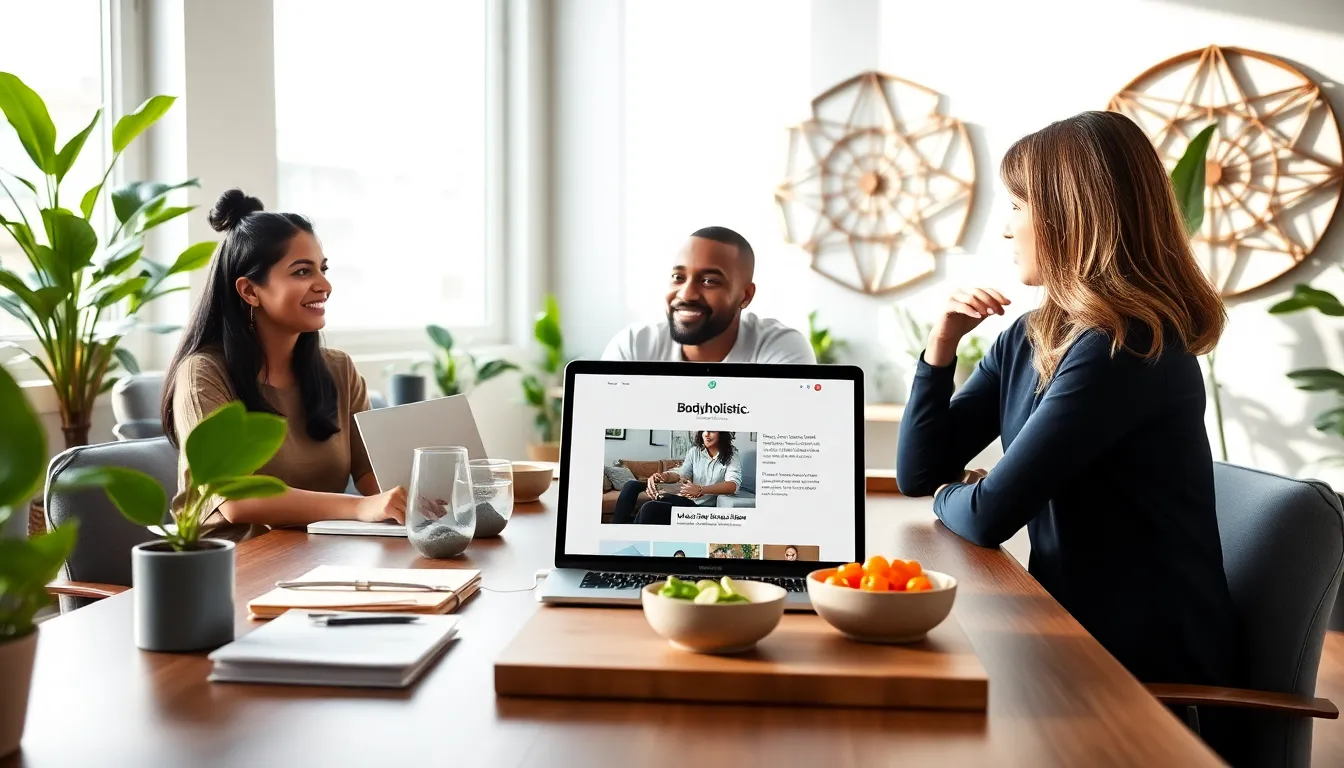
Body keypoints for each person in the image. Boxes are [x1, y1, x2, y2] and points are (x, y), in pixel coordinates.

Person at [896, 112, 1240, 692]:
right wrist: (941, 345)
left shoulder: (1126, 345)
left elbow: (985, 517)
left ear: (1068, 214)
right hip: (1069, 632)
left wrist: (953, 494)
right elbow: (919, 471)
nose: (1005, 229)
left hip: (1145, 671)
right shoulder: (1029, 335)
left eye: (1016, 204)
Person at [161, 189, 406, 542]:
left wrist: (424, 493)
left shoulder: (339, 369)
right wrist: (356, 508)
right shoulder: (203, 374)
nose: (324, 285)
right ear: (250, 291)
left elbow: (373, 478)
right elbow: (235, 498)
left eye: (322, 269)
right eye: (302, 272)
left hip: (320, 556)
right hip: (232, 571)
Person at [602, 227, 815, 364]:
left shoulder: (779, 349)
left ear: (745, 295)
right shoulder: (634, 347)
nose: (687, 293)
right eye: (678, 277)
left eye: (709, 281)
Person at [610, 431, 741, 524]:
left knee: (650, 508)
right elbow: (682, 474)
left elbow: (733, 485)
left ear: (722, 433)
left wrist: (701, 489)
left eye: (712, 430)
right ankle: (618, 530)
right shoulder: (695, 452)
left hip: (699, 507)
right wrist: (663, 476)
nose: (706, 434)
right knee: (631, 485)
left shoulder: (731, 454)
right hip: (685, 498)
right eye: (704, 430)